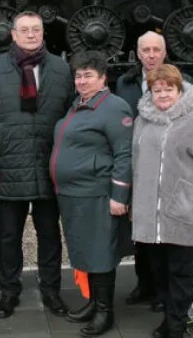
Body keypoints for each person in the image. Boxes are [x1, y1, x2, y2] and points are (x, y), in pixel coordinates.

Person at [0, 11, 73, 319]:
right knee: (8, 238)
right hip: (8, 169)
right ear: (13, 35)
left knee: (50, 236)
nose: (31, 35)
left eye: (36, 30)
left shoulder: (59, 68)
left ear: (43, 33)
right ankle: (9, 292)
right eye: (25, 30)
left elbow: (72, 120)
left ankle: (52, 292)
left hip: (48, 168)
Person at [131, 65, 193, 338]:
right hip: (150, 213)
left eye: (168, 89)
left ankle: (176, 325)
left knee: (180, 272)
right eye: (156, 89)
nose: (162, 94)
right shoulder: (143, 120)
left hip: (183, 210)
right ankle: (168, 318)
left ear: (180, 90)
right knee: (159, 271)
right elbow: (136, 163)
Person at [52, 51, 133, 337]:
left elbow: (124, 154)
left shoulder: (113, 107)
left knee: (100, 252)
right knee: (84, 250)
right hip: (74, 194)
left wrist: (119, 196)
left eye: (88, 76)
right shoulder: (78, 105)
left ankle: (104, 312)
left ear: (103, 78)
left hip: (96, 193)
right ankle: (93, 303)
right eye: (78, 76)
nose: (82, 81)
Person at [114, 31, 193, 311]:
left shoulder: (183, 84)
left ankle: (165, 293)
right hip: (138, 162)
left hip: (171, 166)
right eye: (145, 50)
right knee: (141, 230)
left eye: (155, 49)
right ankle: (144, 283)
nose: (150, 55)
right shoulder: (125, 83)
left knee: (168, 238)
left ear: (164, 52)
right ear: (137, 54)